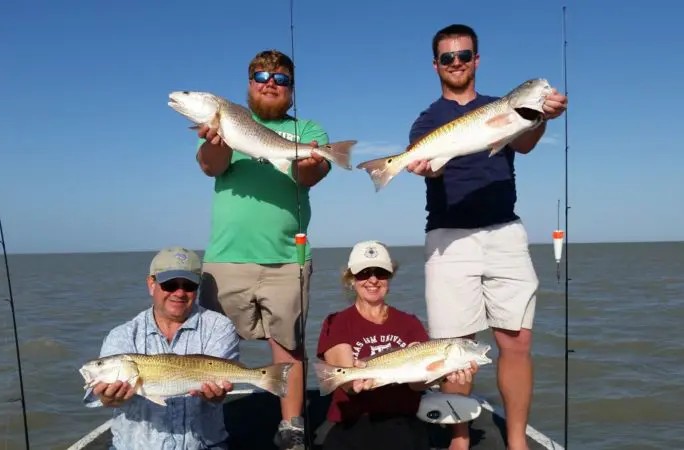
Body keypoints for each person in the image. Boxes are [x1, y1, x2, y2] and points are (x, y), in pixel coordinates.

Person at [406, 24, 568, 450]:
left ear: (476, 60)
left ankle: (516, 442)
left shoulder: (503, 106)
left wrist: (542, 118)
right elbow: (434, 168)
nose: (456, 63)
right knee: (455, 350)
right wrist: (428, 165)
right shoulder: (426, 120)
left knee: (517, 340)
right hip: (448, 238)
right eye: (447, 57)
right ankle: (460, 438)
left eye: (464, 55)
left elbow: (527, 142)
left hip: (505, 232)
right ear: (435, 65)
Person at [195, 49, 332, 450]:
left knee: (289, 345)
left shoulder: (310, 130)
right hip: (225, 258)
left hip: (288, 259)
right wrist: (216, 139)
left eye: (281, 78)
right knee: (211, 347)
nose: (269, 82)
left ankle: (292, 425)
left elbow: (310, 176)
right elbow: (211, 166)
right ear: (249, 84)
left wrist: (307, 155)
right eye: (260, 75)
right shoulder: (228, 123)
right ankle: (205, 423)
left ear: (291, 89)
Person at [316, 240, 477, 450]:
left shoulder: (410, 322)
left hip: (403, 422)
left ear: (390, 276)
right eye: (364, 273)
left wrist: (444, 374)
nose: (373, 279)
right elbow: (346, 383)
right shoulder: (337, 321)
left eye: (380, 273)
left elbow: (417, 384)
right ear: (351, 279)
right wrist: (356, 379)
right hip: (354, 421)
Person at [85, 246, 240, 450]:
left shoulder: (219, 327)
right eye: (169, 284)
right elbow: (102, 398)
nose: (179, 293)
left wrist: (217, 395)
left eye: (189, 285)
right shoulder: (122, 335)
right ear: (151, 284)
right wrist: (108, 398)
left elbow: (220, 388)